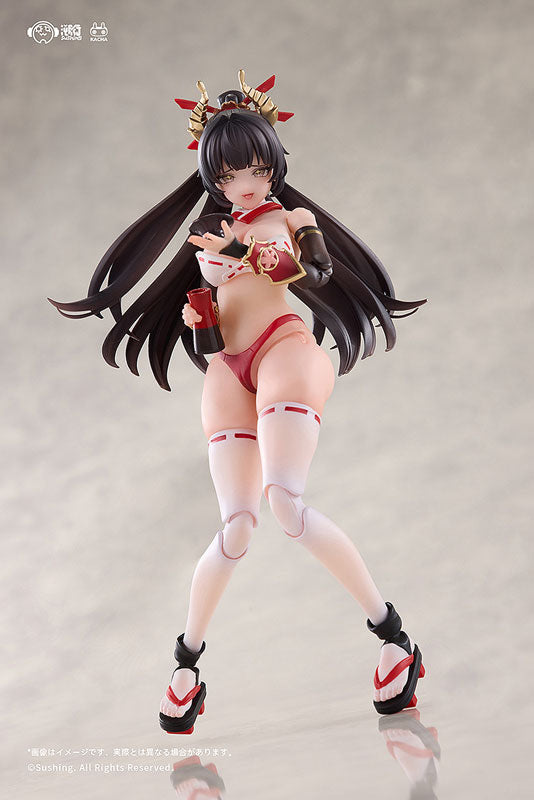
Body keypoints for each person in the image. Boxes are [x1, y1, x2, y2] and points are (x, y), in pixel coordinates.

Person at [49, 71, 427, 734]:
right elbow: (214, 325)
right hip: (230, 369)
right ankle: (186, 666)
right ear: (213, 179)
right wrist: (202, 313)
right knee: (237, 528)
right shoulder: (213, 232)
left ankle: (394, 638)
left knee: (285, 503)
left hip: (285, 351)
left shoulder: (289, 219)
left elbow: (308, 271)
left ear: (275, 163)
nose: (245, 184)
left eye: (255, 169)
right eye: (229, 176)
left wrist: (241, 251)